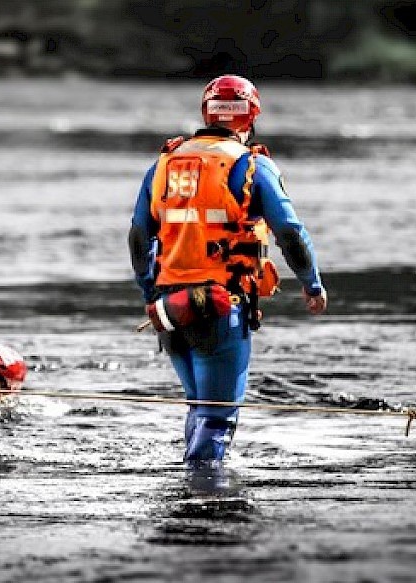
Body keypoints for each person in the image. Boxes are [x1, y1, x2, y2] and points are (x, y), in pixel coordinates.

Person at [128, 74, 327, 464]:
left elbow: (138, 237)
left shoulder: (165, 163)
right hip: (220, 306)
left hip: (171, 307)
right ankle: (206, 506)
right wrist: (312, 284)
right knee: (218, 418)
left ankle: (185, 503)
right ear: (251, 117)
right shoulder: (252, 166)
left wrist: (151, 293)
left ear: (207, 112)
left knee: (198, 407)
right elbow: (289, 231)